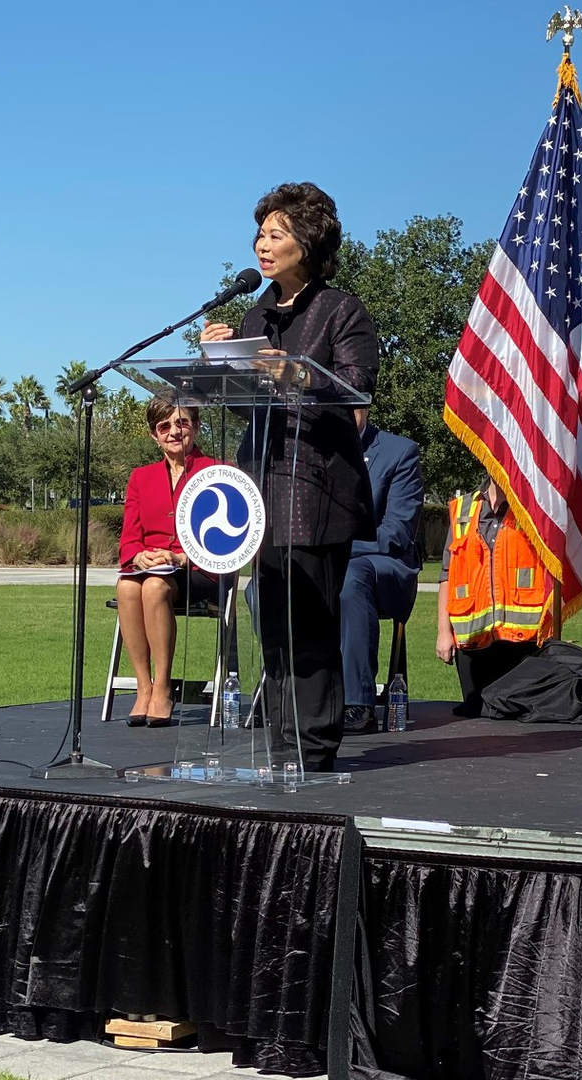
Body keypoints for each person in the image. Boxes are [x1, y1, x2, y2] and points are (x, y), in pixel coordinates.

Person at [201, 182, 378, 773]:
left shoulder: (342, 310)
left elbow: (356, 394)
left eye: (275, 234)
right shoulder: (255, 314)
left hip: (317, 488)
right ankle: (280, 743)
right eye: (260, 234)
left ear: (308, 241)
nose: (262, 244)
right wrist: (219, 363)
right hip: (262, 485)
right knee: (272, 620)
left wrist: (298, 375)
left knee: (310, 621)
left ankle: (315, 746)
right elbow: (243, 406)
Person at [116, 397, 218, 728]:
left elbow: (226, 542)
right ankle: (143, 687)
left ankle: (162, 686)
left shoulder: (217, 471)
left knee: (154, 587)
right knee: (127, 586)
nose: (174, 431)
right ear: (154, 435)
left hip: (200, 570)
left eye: (182, 423)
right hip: (153, 568)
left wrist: (182, 557)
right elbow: (129, 539)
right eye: (164, 426)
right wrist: (139, 555)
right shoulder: (140, 478)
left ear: (196, 427)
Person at [436, 476, 558, 718]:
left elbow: (553, 570)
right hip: (472, 644)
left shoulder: (535, 507)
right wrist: (443, 632)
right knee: (477, 718)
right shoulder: (462, 509)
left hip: (523, 644)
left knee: (518, 718)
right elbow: (447, 574)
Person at [340, 408, 424, 735]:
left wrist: (334, 550)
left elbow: (396, 533)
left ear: (366, 405)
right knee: (266, 584)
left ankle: (356, 703)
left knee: (351, 576)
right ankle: (283, 693)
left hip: (386, 566)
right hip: (334, 562)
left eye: (352, 404)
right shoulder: (314, 453)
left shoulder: (399, 452)